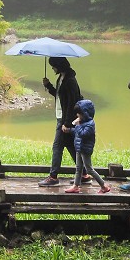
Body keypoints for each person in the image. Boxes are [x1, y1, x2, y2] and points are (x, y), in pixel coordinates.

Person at [38, 56, 91, 186]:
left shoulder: (70, 81)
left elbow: (71, 104)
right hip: (61, 117)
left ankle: (53, 176)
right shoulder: (62, 78)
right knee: (69, 145)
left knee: (57, 146)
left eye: (53, 66)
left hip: (65, 119)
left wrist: (66, 123)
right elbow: (60, 96)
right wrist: (49, 86)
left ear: (60, 65)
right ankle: (84, 174)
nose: (52, 68)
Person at [64, 99, 110, 193]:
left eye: (79, 114)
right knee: (78, 168)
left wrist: (77, 125)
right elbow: (77, 133)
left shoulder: (90, 124)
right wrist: (69, 130)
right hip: (79, 148)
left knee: (89, 169)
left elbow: (83, 134)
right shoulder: (82, 123)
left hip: (85, 149)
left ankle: (103, 185)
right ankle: (76, 186)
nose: (77, 116)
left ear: (85, 114)